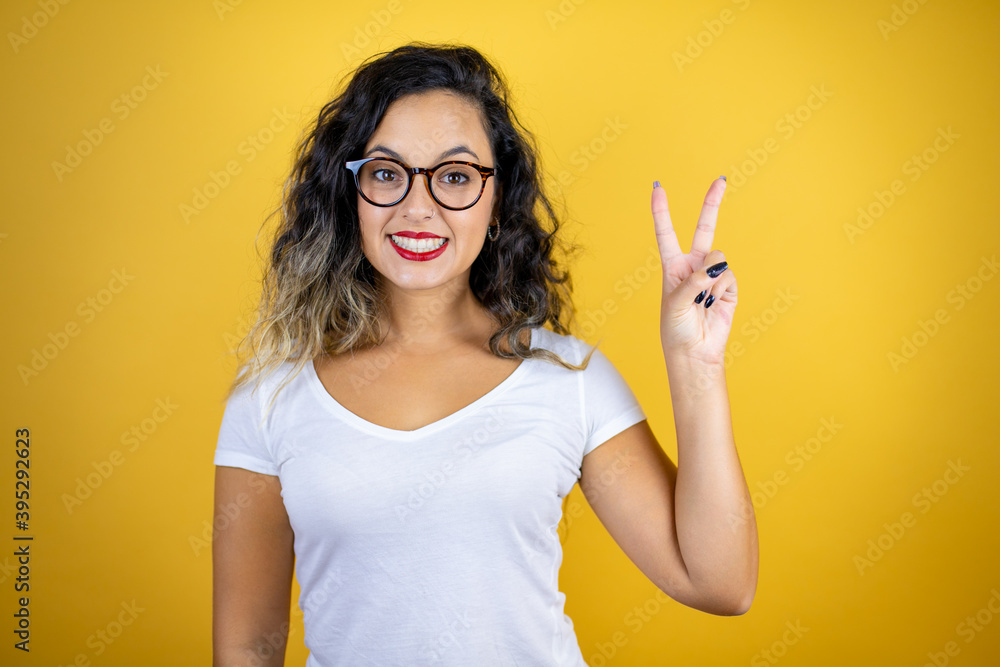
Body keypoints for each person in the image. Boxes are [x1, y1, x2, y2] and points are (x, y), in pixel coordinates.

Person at [212, 42, 758, 667]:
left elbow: (721, 584)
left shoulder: (568, 379)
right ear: (351, 194)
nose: (419, 208)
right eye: (387, 173)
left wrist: (697, 365)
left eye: (455, 176)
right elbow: (248, 647)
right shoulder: (269, 396)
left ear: (496, 202)